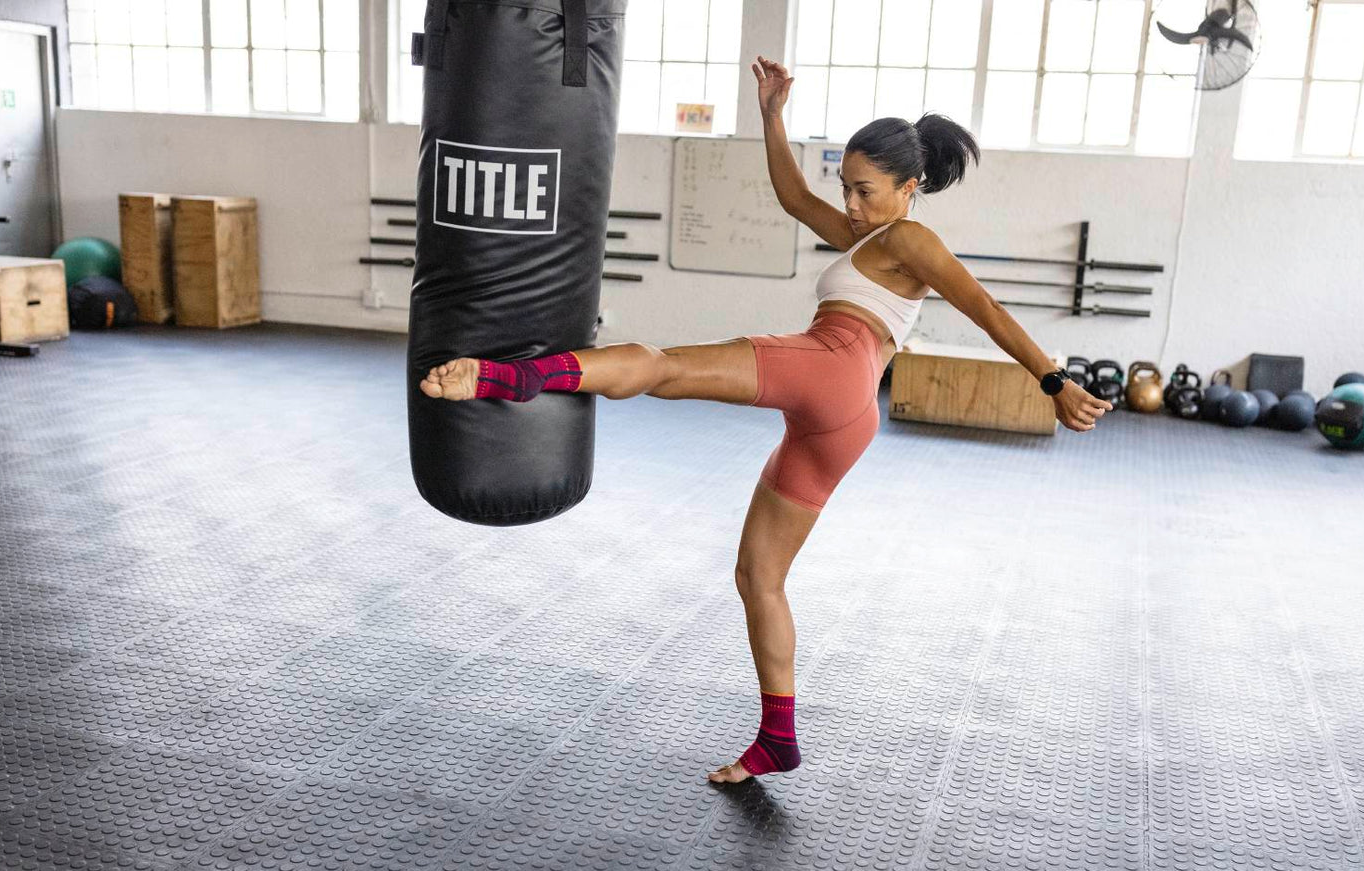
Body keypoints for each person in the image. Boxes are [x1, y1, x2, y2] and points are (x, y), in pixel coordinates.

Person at [419, 56, 1112, 785]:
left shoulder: (910, 240)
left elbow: (984, 307)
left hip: (832, 365)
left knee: (666, 366)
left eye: (866, 191)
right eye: (846, 186)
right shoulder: (870, 235)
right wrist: (772, 115)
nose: (850, 203)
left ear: (910, 188)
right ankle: (777, 738)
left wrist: (1053, 381)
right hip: (846, 418)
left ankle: (505, 377)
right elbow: (793, 196)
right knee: (759, 576)